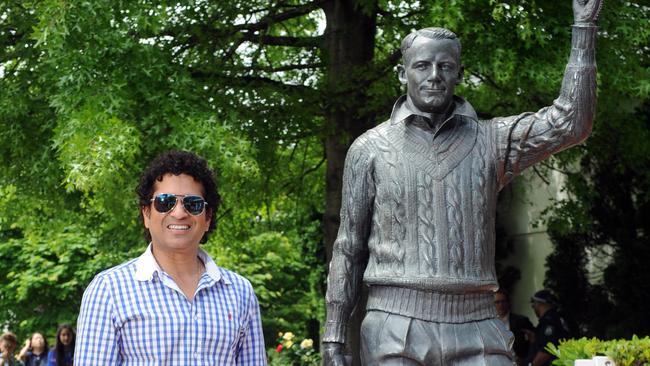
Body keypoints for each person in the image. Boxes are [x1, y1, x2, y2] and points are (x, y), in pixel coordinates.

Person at [323, 0, 601, 364]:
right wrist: (333, 338)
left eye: (445, 66)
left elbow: (571, 123)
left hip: (478, 325)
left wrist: (584, 29)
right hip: (395, 326)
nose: (434, 75)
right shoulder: (369, 149)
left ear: (459, 73)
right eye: (422, 65)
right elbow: (348, 248)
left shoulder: (493, 140)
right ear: (403, 73)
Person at [75, 150, 267, 365]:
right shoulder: (108, 290)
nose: (179, 213)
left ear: (207, 217)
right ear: (146, 214)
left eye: (193, 203)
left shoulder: (240, 292)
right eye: (165, 202)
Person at [525, 290, 572, 366]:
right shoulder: (558, 318)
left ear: (538, 303)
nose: (533, 307)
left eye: (533, 304)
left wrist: (531, 365)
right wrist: (534, 340)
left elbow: (546, 352)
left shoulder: (549, 322)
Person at [495, 290, 535, 365]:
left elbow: (534, 341)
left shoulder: (521, 321)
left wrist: (526, 360)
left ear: (508, 303)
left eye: (503, 301)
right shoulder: (490, 324)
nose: (501, 305)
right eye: (497, 302)